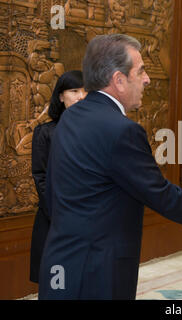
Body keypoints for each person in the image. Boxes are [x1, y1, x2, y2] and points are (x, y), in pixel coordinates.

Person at [38, 34, 182, 300]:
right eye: (140, 71)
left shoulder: (70, 117)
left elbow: (53, 192)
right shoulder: (122, 131)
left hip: (60, 261)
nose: (147, 79)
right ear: (119, 80)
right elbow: (160, 193)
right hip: (97, 272)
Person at [30, 70, 86, 283]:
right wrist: (62, 216)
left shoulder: (97, 130)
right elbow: (41, 177)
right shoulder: (45, 133)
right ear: (61, 96)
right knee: (57, 283)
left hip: (89, 219)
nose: (81, 96)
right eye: (74, 91)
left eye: (86, 91)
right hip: (55, 218)